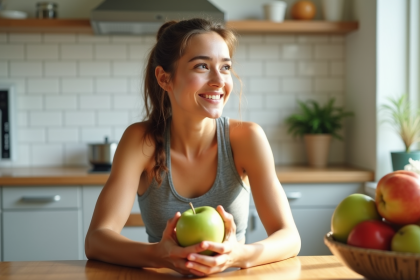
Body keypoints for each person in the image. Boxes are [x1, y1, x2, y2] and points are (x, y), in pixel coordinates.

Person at [85, 18, 301, 277]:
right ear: (165, 78)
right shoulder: (141, 141)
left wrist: (237, 254)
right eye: (202, 66)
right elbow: (96, 239)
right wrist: (160, 255)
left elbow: (289, 237)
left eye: (225, 67)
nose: (219, 80)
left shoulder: (247, 138)